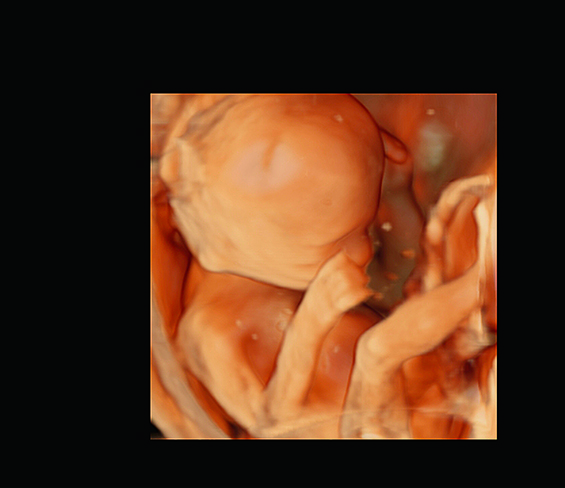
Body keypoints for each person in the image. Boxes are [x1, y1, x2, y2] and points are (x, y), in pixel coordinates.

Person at [150, 94, 494, 438]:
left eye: (365, 228)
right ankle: (481, 280)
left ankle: (479, 281)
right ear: (230, 246)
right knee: (379, 349)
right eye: (341, 241)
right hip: (382, 428)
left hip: (433, 377)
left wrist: (397, 195)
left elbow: (400, 277)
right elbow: (271, 423)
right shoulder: (210, 332)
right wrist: (311, 323)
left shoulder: (270, 270)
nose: (363, 251)